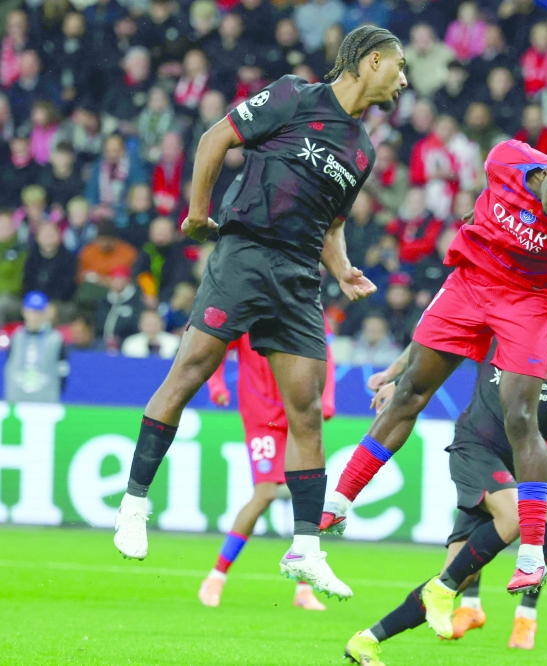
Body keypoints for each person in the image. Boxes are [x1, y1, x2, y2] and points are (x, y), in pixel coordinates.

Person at [112, 26, 407, 603]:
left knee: (306, 414)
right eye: (398, 68)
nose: (402, 81)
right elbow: (213, 140)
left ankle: (306, 550)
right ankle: (132, 505)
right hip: (247, 253)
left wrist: (343, 269)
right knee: (189, 372)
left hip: (300, 277)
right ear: (372, 61)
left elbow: (334, 224)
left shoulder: (362, 151)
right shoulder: (294, 96)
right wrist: (199, 215)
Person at [322, 139, 547, 596]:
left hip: (527, 302)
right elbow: (488, 198)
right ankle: (337, 502)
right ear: (544, 173)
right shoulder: (505, 159)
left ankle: (532, 557)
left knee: (521, 417)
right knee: (412, 390)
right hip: (471, 283)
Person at [344, 283, 547, 664]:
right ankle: (502, 608)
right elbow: (442, 345)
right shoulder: (506, 326)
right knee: (521, 516)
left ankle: (366, 641)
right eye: (546, 297)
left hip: (516, 461)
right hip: (475, 447)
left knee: (452, 578)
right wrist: (399, 380)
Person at [197, 323, 335, 611]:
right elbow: (218, 346)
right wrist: (216, 382)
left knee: (307, 496)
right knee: (266, 493)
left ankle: (303, 589)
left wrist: (327, 398)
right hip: (262, 416)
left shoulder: (306, 304)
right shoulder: (250, 306)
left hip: (298, 410)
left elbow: (326, 354)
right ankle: (216, 575)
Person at [3, 292, 68, 404]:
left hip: (45, 402)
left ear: (46, 313)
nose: (35, 316)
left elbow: (62, 372)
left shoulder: (56, 339)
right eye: (31, 311)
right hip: (16, 401)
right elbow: (9, 366)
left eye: (39, 312)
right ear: (24, 311)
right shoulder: (16, 337)